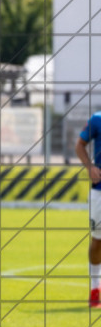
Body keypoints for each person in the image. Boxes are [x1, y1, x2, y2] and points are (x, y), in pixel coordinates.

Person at [75, 112, 101, 307]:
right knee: (97, 241)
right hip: (99, 191)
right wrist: (90, 167)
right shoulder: (97, 119)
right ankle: (94, 288)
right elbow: (79, 145)